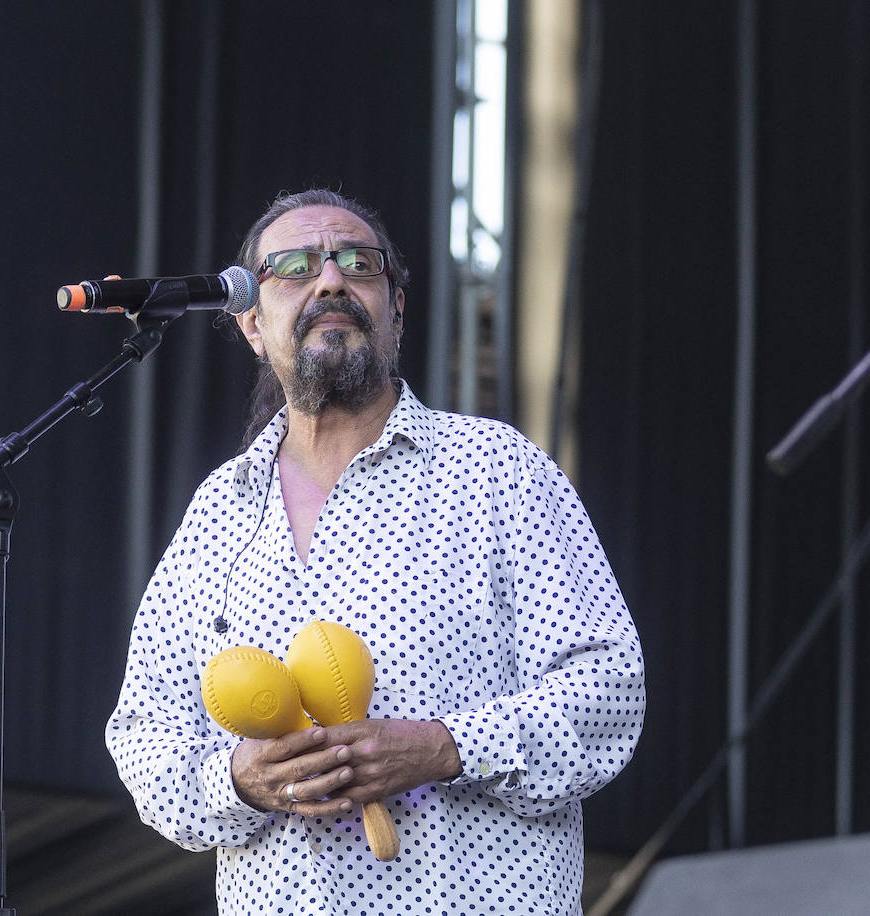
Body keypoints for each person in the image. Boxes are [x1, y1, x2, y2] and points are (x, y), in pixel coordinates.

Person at [105, 189, 644, 915]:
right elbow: (144, 736)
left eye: (358, 264)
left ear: (396, 309)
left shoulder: (495, 469)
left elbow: (608, 691)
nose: (330, 280)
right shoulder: (218, 513)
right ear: (250, 325)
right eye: (293, 268)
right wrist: (238, 779)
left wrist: (443, 748)